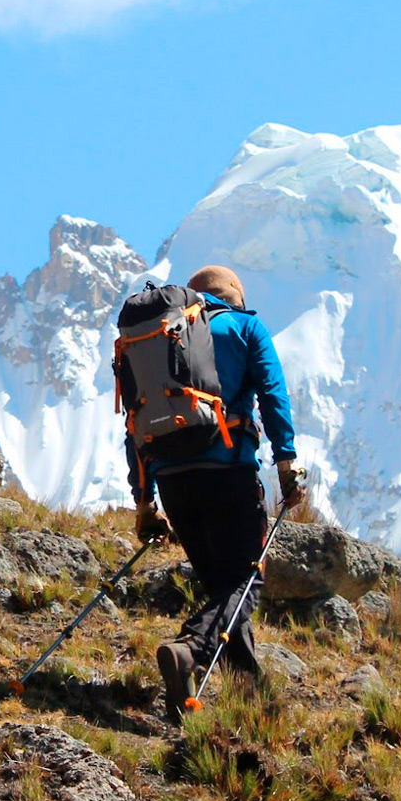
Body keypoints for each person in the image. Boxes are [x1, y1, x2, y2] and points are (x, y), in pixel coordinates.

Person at [120, 265, 303, 709]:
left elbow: (134, 426)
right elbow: (273, 394)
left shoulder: (162, 338)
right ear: (234, 298)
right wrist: (287, 461)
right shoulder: (245, 327)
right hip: (228, 473)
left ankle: (248, 698)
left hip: (174, 484)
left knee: (224, 589)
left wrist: (144, 503)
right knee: (245, 579)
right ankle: (189, 648)